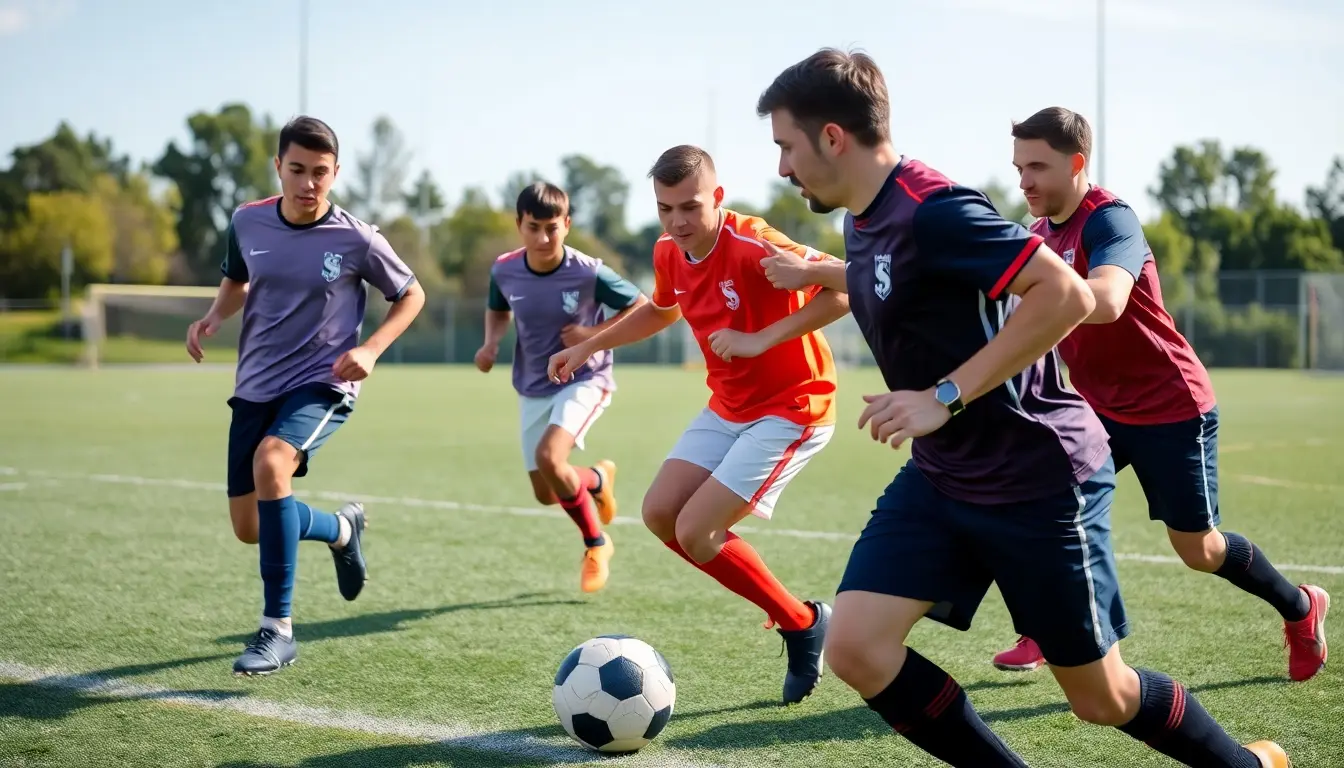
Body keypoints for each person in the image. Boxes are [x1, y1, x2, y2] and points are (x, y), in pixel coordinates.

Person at [754, 48, 1289, 767]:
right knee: (855, 646)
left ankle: (1246, 765)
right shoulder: (862, 218)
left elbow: (1066, 294)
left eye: (786, 146)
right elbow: (885, 278)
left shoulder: (935, 209)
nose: (783, 167)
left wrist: (944, 395)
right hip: (944, 476)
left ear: (831, 138)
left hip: (1040, 479)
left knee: (1103, 699)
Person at [987, 106, 1328, 682]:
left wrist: (1045, 297)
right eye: (1019, 168)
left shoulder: (1110, 221)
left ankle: (1301, 606)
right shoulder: (1038, 234)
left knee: (1199, 549)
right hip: (1096, 406)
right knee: (1038, 497)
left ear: (1076, 164)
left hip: (1169, 405)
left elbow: (1110, 299)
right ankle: (1045, 630)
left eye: (1038, 167)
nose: (1024, 181)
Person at [547, 144, 850, 705]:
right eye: (665, 209)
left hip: (794, 407)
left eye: (689, 206)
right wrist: (589, 344)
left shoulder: (754, 242)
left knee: (696, 532)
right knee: (660, 515)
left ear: (716, 197)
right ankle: (803, 621)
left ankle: (799, 622)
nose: (678, 221)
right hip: (728, 405)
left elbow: (843, 289)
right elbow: (662, 310)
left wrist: (761, 339)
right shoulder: (668, 252)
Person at [185, 116, 425, 677]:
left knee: (274, 463)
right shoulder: (246, 221)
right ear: (279, 167)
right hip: (254, 385)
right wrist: (214, 315)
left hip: (323, 382)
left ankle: (277, 631)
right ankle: (342, 530)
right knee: (251, 526)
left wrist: (371, 351)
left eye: (321, 172)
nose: (309, 183)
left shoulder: (358, 237)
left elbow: (411, 294)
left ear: (336, 173)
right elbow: (238, 278)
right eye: (297, 170)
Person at [475, 181, 646, 593]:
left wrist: (592, 334)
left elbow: (641, 306)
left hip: (585, 378)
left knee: (550, 458)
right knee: (547, 492)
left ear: (567, 224)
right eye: (534, 227)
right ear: (519, 225)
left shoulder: (589, 271)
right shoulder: (504, 269)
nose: (544, 237)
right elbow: (497, 309)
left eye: (553, 227)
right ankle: (597, 480)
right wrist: (491, 342)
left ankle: (596, 544)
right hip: (533, 384)